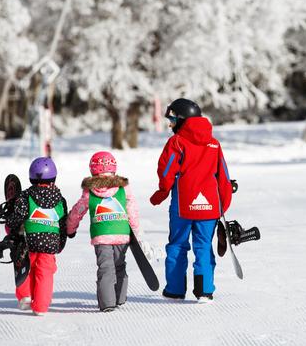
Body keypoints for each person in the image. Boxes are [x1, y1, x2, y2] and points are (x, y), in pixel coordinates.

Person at [150, 98, 233, 303]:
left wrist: (161, 193)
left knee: (178, 244)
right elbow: (223, 176)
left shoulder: (177, 142)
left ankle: (176, 290)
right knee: (204, 245)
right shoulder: (214, 144)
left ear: (181, 119)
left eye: (171, 119)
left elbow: (167, 171)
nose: (169, 124)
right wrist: (222, 205)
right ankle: (204, 290)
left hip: (183, 205)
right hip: (209, 206)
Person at [66, 151, 141, 312]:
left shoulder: (89, 191)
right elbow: (132, 210)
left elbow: (77, 211)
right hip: (122, 234)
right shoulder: (123, 188)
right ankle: (119, 298)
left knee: (106, 268)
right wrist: (135, 230)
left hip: (101, 236)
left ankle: (107, 303)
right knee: (120, 265)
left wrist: (70, 228)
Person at [6, 156, 68, 316]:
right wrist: (60, 243)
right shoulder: (60, 199)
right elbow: (62, 224)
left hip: (29, 240)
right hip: (50, 242)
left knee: (25, 266)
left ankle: (25, 296)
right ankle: (41, 307)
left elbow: (18, 217)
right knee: (45, 273)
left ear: (31, 177)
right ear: (54, 177)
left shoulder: (25, 197)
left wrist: (10, 225)